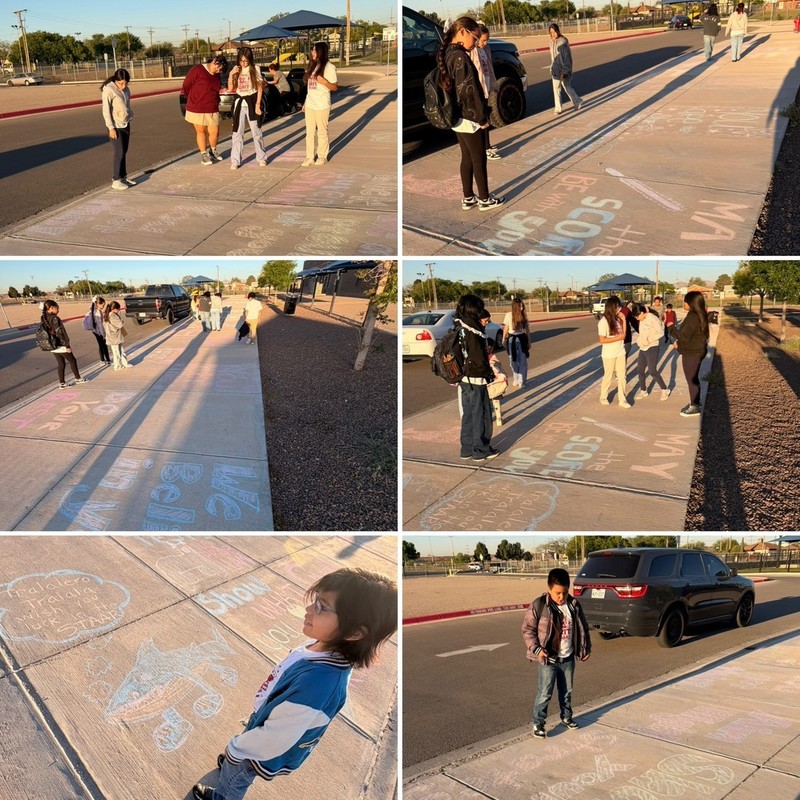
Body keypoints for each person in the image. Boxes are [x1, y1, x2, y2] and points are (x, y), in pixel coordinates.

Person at [191, 567, 397, 800]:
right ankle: (234, 762)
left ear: (354, 633)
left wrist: (238, 750)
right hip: (266, 720)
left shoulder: (319, 684)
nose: (309, 610)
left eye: (321, 607)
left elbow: (275, 737)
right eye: (315, 601)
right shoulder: (322, 645)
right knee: (240, 757)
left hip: (265, 744)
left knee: (238, 775)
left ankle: (226, 788)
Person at [521, 568, 591, 740]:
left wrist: (585, 648)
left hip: (568, 658)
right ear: (549, 588)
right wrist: (537, 649)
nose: (561, 597)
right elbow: (528, 630)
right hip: (548, 659)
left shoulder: (573, 605)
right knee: (544, 692)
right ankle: (538, 723)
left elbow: (583, 628)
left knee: (567, 691)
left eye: (565, 593)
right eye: (557, 593)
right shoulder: (539, 605)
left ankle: (566, 717)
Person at [454, 294, 498, 462]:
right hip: (476, 379)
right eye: (479, 307)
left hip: (464, 379)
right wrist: (489, 374)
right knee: (482, 415)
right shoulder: (474, 330)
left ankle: (466, 449)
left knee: (468, 415)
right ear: (473, 309)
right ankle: (480, 450)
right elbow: (479, 358)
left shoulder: (458, 325)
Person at [182, 54, 228, 166]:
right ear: (214, 61)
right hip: (197, 107)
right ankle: (204, 154)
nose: (218, 70)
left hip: (212, 106)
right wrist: (193, 98)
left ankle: (213, 150)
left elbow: (216, 88)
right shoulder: (198, 69)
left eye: (220, 69)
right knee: (201, 131)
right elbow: (186, 85)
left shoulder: (216, 75)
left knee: (214, 132)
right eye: (218, 67)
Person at [228, 47, 267, 170]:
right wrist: (231, 74)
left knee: (256, 131)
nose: (243, 63)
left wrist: (257, 105)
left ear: (250, 60)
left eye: (245, 61)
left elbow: (260, 88)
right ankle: (235, 160)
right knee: (237, 132)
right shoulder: (236, 70)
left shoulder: (255, 69)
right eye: (241, 61)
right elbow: (230, 88)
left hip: (252, 101)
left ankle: (261, 157)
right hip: (240, 101)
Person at [302, 42, 338, 167]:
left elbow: (334, 87)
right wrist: (306, 102)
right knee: (309, 132)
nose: (312, 53)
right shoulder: (312, 66)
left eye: (314, 51)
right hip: (311, 103)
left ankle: (322, 156)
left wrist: (324, 82)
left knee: (322, 131)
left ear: (321, 52)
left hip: (322, 104)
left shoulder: (329, 67)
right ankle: (309, 157)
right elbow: (309, 88)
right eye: (312, 50)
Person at [674, 290, 709, 417]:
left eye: (685, 301)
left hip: (692, 353)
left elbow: (684, 336)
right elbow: (690, 336)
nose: (684, 303)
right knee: (694, 379)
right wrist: (679, 343)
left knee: (691, 380)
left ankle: (694, 406)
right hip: (695, 351)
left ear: (691, 303)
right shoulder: (699, 314)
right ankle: (696, 403)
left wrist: (670, 327)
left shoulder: (693, 316)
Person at [469, 25, 501, 161]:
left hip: (486, 88)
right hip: (477, 90)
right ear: (476, 38)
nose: (485, 43)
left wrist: (494, 84)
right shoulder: (472, 51)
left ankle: (487, 145)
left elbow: (489, 68)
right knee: (481, 121)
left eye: (487, 40)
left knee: (486, 118)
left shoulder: (484, 49)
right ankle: (485, 149)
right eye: (483, 40)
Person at [40, 300, 87, 389]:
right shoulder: (54, 318)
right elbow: (60, 333)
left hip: (52, 345)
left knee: (61, 363)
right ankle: (78, 378)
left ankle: (62, 383)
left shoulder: (43, 317)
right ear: (52, 308)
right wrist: (67, 345)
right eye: (57, 308)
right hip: (60, 344)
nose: (58, 310)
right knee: (72, 360)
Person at [101, 68, 134, 191]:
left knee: (124, 151)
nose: (123, 86)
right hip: (115, 126)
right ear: (115, 80)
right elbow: (106, 111)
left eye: (126, 83)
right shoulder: (109, 90)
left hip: (125, 123)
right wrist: (111, 128)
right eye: (121, 83)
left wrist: (130, 114)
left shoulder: (126, 89)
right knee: (118, 152)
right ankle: (115, 180)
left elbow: (127, 105)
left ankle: (123, 177)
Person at [597, 296, 630, 408]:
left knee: (622, 376)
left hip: (620, 352)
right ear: (612, 307)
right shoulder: (603, 322)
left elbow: (623, 335)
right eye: (617, 307)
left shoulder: (617, 319)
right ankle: (603, 397)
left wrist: (624, 320)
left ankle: (622, 399)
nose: (619, 309)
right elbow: (602, 340)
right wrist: (618, 338)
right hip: (609, 354)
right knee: (608, 375)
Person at [634, 304, 670, 401]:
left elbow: (661, 332)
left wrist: (649, 339)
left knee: (652, 371)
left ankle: (664, 389)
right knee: (640, 370)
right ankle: (643, 390)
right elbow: (642, 333)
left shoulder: (652, 318)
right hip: (643, 348)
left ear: (642, 313)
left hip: (652, 346)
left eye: (637, 316)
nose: (637, 319)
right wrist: (639, 340)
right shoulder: (642, 320)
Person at [548, 23, 582, 116]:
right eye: (551, 32)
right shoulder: (551, 42)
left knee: (567, 87)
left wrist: (566, 70)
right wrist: (551, 67)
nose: (553, 34)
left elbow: (567, 57)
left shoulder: (562, 41)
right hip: (555, 69)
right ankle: (558, 108)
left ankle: (577, 101)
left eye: (554, 31)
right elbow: (552, 57)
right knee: (556, 89)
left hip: (563, 69)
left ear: (558, 31)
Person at [501, 297, 530, 388]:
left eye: (522, 306)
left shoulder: (524, 316)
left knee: (523, 361)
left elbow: (527, 330)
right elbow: (506, 327)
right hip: (511, 340)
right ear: (515, 306)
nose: (521, 308)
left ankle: (522, 381)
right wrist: (503, 339)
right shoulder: (509, 315)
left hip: (522, 339)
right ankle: (516, 378)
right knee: (513, 361)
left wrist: (529, 341)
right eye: (519, 306)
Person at [83, 296, 113, 366]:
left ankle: (102, 360)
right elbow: (100, 326)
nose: (103, 305)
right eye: (103, 304)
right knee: (104, 346)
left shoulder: (92, 310)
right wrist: (104, 335)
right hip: (99, 332)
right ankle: (108, 360)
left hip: (95, 331)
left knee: (100, 345)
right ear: (98, 304)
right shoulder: (98, 312)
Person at [104, 300, 132, 370]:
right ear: (114, 309)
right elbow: (120, 324)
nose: (119, 310)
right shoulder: (112, 316)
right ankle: (117, 366)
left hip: (114, 337)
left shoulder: (109, 315)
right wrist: (122, 320)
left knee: (121, 351)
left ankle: (124, 363)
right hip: (114, 337)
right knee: (116, 353)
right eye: (118, 309)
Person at [486, 342, 509, 426]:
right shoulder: (492, 357)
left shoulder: (479, 358)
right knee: (496, 400)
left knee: (485, 403)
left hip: (485, 385)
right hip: (496, 384)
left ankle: (488, 418)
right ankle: (499, 418)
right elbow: (499, 367)